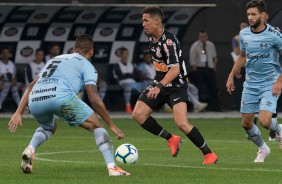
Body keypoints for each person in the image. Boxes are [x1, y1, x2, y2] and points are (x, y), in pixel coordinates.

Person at [8, 34, 130, 176]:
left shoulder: (55, 59)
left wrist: (18, 112)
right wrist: (112, 125)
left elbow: (29, 87)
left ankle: (30, 149)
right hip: (60, 97)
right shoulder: (87, 65)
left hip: (35, 100)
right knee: (97, 127)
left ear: (73, 49)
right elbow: (94, 98)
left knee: (49, 126)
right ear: (91, 52)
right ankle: (112, 168)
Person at [132, 6, 218, 164]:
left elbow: (175, 69)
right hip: (160, 83)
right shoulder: (152, 37)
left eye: (146, 20)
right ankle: (171, 139)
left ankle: (209, 154)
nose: (143, 24)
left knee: (182, 124)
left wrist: (159, 87)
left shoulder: (169, 42)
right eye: (142, 20)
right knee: (138, 114)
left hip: (175, 86)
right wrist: (157, 84)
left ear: (157, 21)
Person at [226, 0, 282, 163]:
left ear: (263, 15)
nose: (250, 17)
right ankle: (263, 149)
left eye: (253, 14)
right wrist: (231, 75)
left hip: (269, 83)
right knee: (246, 123)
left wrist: (279, 81)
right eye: (248, 14)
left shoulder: (275, 35)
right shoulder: (244, 34)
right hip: (250, 84)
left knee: (265, 121)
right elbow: (242, 56)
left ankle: (278, 129)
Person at [189, 30, 222, 111]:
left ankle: (215, 107)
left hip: (210, 68)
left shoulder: (211, 45)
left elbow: (214, 57)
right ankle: (200, 106)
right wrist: (195, 69)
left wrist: (214, 68)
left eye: (204, 36)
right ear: (198, 37)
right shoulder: (195, 46)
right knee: (199, 89)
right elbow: (192, 59)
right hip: (200, 69)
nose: (203, 38)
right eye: (201, 36)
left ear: (207, 37)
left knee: (213, 88)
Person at [113, 47, 143, 113]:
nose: (125, 55)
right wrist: (130, 74)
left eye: (126, 54)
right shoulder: (117, 65)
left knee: (144, 87)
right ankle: (128, 106)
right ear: (120, 55)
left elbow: (136, 75)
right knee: (128, 88)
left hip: (133, 83)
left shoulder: (132, 64)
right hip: (123, 83)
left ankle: (142, 107)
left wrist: (127, 74)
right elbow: (120, 76)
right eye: (123, 54)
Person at [230, 21, 248, 110]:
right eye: (242, 26)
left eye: (245, 26)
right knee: (237, 86)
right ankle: (236, 105)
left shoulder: (251, 37)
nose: (244, 27)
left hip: (249, 66)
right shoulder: (236, 38)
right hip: (240, 65)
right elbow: (237, 52)